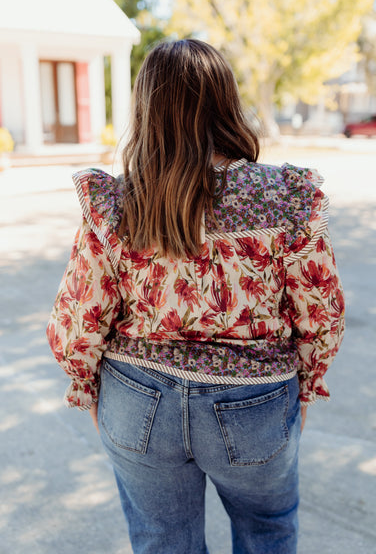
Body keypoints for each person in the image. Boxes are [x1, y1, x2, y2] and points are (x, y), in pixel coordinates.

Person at [47, 39, 345, 554]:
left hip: (136, 400)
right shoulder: (287, 198)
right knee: (268, 531)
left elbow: (78, 318)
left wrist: (87, 389)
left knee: (164, 543)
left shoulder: (116, 202)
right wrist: (305, 384)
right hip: (255, 401)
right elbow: (322, 312)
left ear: (147, 110)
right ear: (226, 103)